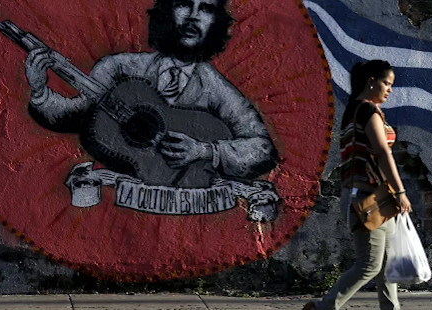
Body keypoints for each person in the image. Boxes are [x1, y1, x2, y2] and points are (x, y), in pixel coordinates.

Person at [24, 0, 278, 187]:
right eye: (183, 5)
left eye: (206, 8)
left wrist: (205, 151)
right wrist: (39, 92)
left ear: (216, 22)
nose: (192, 17)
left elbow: (263, 149)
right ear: (167, 12)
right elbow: (75, 115)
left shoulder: (215, 88)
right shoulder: (119, 69)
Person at [297, 60, 415, 310]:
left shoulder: (355, 111)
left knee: (388, 263)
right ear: (372, 81)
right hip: (367, 198)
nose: (389, 89)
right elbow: (383, 154)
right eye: (387, 83)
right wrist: (401, 192)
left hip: (373, 195)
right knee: (370, 265)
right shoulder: (366, 110)